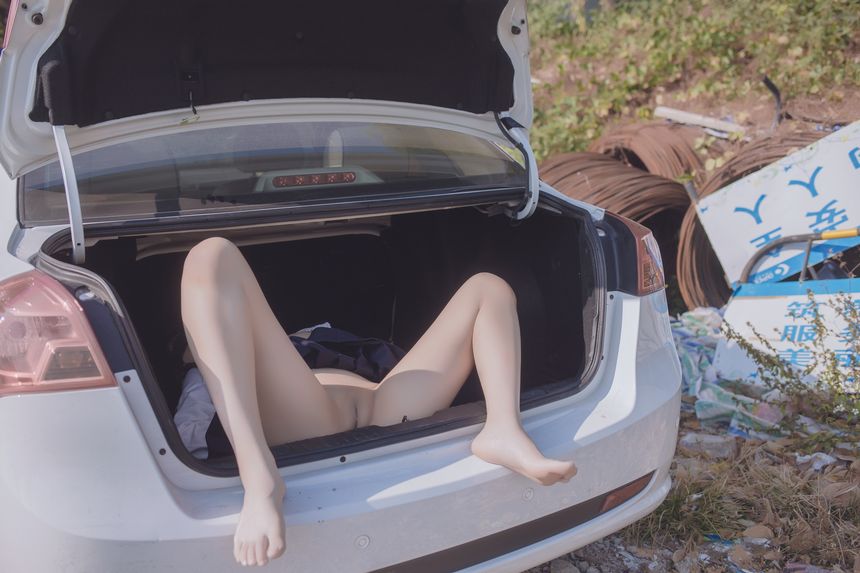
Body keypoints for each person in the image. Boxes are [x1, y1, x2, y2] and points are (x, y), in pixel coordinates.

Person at [180, 237, 577, 567]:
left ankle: (503, 427)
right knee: (210, 254)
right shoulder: (243, 355)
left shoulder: (313, 342)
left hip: (384, 402)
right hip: (316, 420)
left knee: (487, 287)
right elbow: (214, 341)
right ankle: (260, 478)